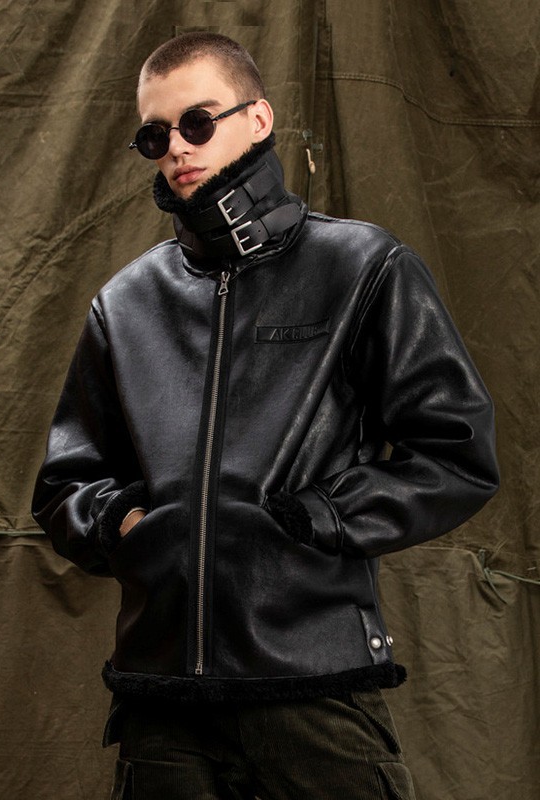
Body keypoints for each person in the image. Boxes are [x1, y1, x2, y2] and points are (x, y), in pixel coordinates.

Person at [32, 32, 499, 800]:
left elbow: (457, 452)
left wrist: (320, 516)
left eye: (197, 121)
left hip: (312, 683)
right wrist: (120, 520)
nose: (177, 148)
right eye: (155, 135)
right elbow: (63, 484)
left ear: (259, 119)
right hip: (162, 701)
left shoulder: (362, 269)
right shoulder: (126, 303)